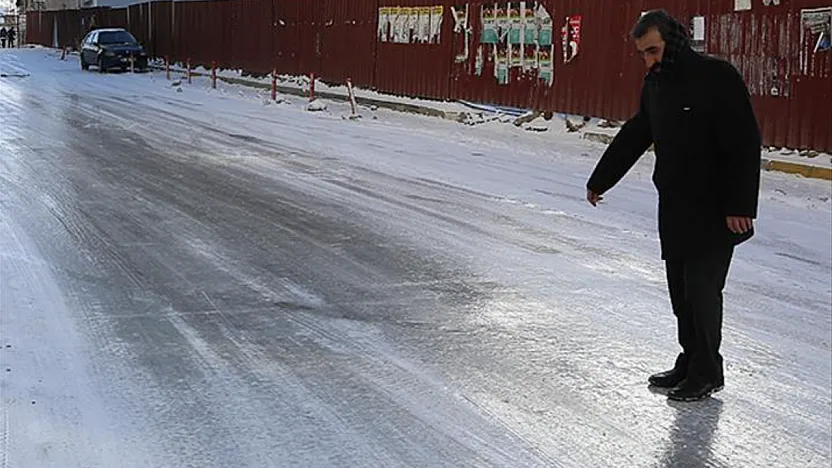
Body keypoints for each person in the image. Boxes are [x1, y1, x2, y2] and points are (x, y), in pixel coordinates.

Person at [585, 10, 762, 402]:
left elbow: (745, 143)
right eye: (643, 55)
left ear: (674, 41)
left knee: (702, 292)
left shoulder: (718, 78)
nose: (648, 61)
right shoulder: (657, 86)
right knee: (680, 294)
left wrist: (740, 205)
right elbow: (636, 134)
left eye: (653, 51)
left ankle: (707, 372)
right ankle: (691, 360)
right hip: (675, 207)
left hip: (716, 210)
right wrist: (601, 179)